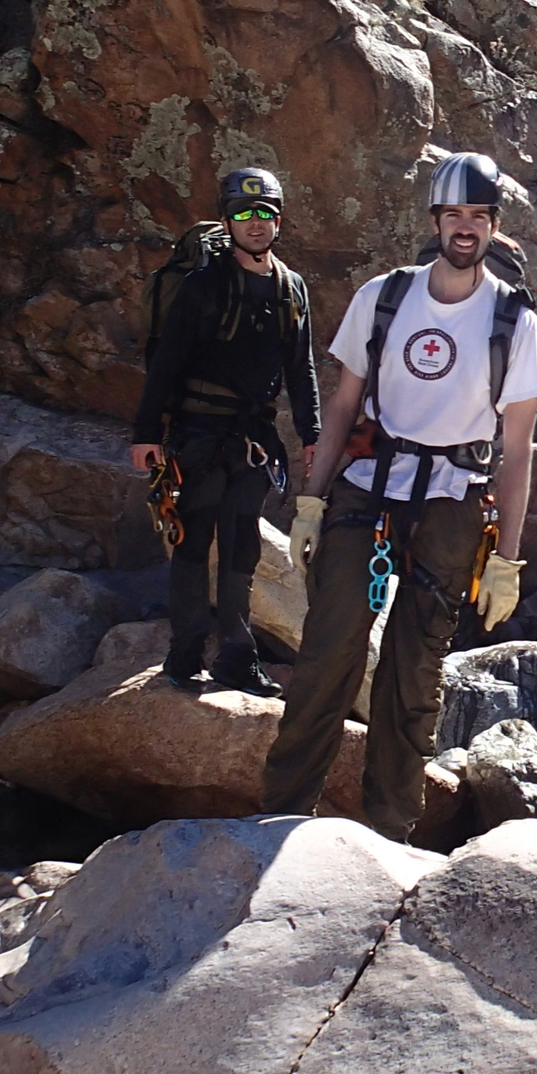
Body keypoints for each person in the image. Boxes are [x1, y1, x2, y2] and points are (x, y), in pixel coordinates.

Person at [262, 151, 537, 841]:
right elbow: (343, 404)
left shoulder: (514, 323)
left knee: (414, 671)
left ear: (493, 223)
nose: (466, 228)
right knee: (329, 647)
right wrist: (311, 500)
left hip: (452, 500)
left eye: (479, 216)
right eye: (455, 215)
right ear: (435, 221)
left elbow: (517, 451)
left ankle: (388, 832)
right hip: (371, 485)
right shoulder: (384, 297)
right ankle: (276, 814)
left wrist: (507, 557)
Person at [129, 167, 321, 695]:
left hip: (254, 442)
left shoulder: (291, 287)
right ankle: (185, 652)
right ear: (227, 220)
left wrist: (313, 436)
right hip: (199, 436)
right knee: (192, 544)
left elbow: (300, 369)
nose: (254, 223)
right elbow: (167, 362)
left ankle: (236, 657)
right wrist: (146, 433)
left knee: (243, 551)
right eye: (243, 214)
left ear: (278, 220)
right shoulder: (204, 285)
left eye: (264, 214)